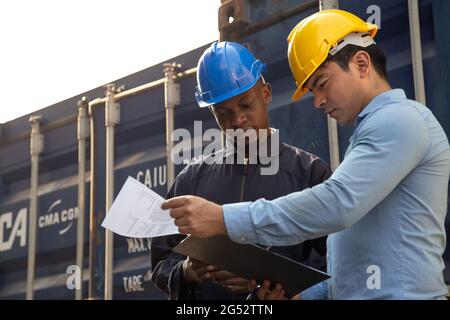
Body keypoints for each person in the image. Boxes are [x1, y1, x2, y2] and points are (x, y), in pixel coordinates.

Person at [161, 10, 450, 300]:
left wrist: (223, 218)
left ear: (362, 64)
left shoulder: (398, 120)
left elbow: (337, 204)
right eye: (312, 91)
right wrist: (298, 297)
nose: (318, 101)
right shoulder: (370, 135)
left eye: (322, 84)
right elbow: (351, 276)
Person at [150, 41, 331, 300]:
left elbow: (338, 263)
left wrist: (296, 295)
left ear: (266, 94)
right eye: (223, 114)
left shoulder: (311, 174)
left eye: (246, 105)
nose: (237, 121)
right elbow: (161, 265)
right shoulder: (190, 181)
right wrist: (188, 271)